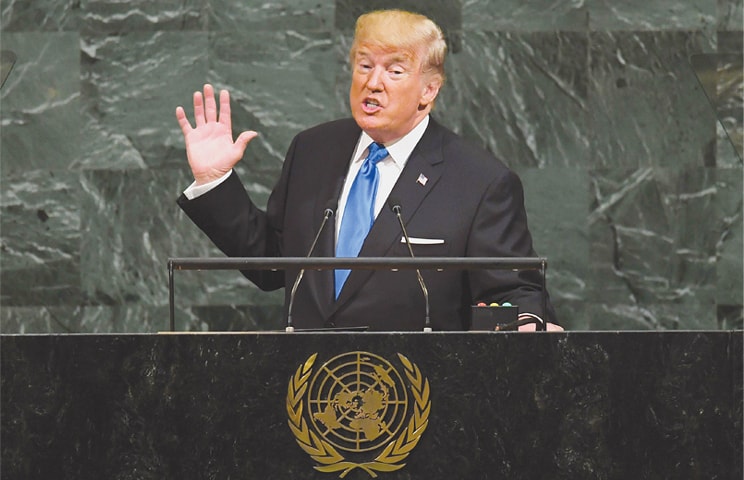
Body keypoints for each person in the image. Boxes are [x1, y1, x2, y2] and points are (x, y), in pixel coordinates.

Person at [175, 9, 561, 331]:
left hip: (414, 396)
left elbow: (516, 290)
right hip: (310, 391)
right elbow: (274, 262)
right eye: (364, 65)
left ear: (429, 89)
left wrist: (528, 322)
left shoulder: (479, 181)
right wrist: (214, 182)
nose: (373, 83)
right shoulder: (313, 150)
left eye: (395, 71)